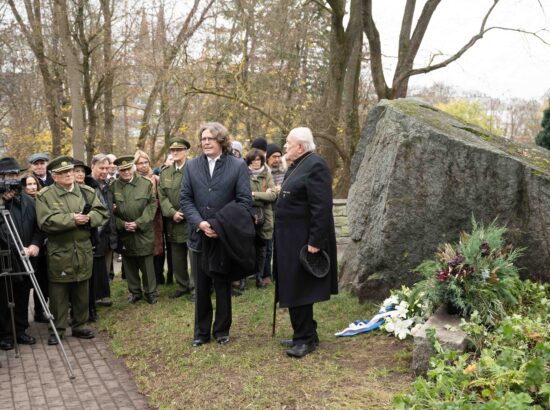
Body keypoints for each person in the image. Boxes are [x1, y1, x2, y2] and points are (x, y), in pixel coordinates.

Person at [180, 122, 252, 347]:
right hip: (199, 235)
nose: (206, 142)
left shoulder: (237, 165)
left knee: (222, 286)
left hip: (223, 236)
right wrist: (201, 223)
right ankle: (201, 333)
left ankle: (221, 330)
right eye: (203, 139)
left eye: (210, 138)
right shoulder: (191, 166)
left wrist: (218, 225)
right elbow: (185, 199)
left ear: (221, 141)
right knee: (201, 288)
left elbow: (244, 201)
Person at [274, 127, 338, 358]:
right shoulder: (299, 165)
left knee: (299, 288)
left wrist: (315, 241)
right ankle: (306, 331)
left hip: (303, 240)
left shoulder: (315, 165)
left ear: (300, 147)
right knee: (293, 286)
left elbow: (322, 208)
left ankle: (305, 339)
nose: (285, 147)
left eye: (288, 144)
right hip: (290, 238)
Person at [36, 156, 109, 345]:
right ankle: (57, 330)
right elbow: (45, 221)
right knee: (58, 293)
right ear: (54, 176)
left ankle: (79, 326)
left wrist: (90, 217)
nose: (68, 175)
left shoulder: (86, 191)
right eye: (62, 173)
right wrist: (72, 219)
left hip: (83, 249)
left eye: (69, 171)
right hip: (59, 251)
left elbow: (102, 212)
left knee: (81, 289)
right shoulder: (45, 195)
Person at [0, 157, 42, 350]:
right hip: (5, 258)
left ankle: (21, 329)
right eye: (9, 175)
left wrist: (34, 245)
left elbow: (38, 226)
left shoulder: (27, 200)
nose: (13, 178)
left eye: (16, 174)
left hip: (26, 257)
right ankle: (6, 334)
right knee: (4, 297)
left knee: (23, 295)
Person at [111, 155, 158, 304]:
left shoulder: (145, 183)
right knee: (129, 262)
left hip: (143, 230)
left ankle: (150, 292)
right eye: (122, 170)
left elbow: (152, 205)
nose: (126, 172)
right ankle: (135, 292)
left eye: (128, 169)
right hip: (124, 232)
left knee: (146, 263)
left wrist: (139, 223)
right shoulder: (113, 186)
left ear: (133, 168)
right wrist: (122, 224)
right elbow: (109, 211)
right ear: (119, 170)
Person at [158, 137, 192, 298]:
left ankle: (196, 287)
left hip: (192, 220)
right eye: (173, 150)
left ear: (186, 151)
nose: (176, 153)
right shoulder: (165, 172)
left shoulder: (194, 169)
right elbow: (162, 196)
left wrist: (186, 212)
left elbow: (200, 193)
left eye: (179, 150)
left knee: (195, 256)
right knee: (177, 257)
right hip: (174, 221)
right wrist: (172, 213)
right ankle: (182, 285)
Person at [246, 149, 277, 288]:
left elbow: (273, 196)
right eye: (253, 161)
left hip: (266, 217)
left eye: (258, 160)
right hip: (248, 216)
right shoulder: (244, 174)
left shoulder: (267, 174)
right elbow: (244, 196)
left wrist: (253, 194)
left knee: (263, 249)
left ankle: (260, 278)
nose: (256, 163)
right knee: (247, 248)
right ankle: (244, 279)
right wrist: (262, 195)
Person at [134, 150, 165, 285]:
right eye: (140, 163)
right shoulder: (133, 179)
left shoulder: (156, 179)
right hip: (138, 217)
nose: (143, 165)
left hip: (155, 218)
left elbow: (161, 199)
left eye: (146, 162)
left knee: (157, 247)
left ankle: (158, 276)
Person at [262, 143, 285, 284]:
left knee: (281, 245)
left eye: (279, 156)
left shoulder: (285, 171)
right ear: (268, 158)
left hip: (282, 213)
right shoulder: (263, 173)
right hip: (267, 212)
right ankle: (266, 275)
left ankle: (279, 272)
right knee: (267, 246)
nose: (276, 159)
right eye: (274, 157)